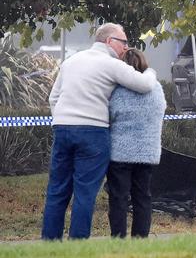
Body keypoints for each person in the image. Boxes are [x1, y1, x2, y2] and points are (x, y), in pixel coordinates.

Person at [43, 23, 157, 240]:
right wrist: (150, 71)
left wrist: (61, 120)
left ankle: (50, 244)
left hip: (63, 129)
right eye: (123, 42)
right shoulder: (111, 64)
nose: (126, 48)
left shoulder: (71, 61)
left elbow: (53, 97)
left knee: (57, 190)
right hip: (93, 133)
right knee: (84, 193)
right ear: (109, 41)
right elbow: (144, 85)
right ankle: (78, 246)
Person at [106, 49, 166, 238]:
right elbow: (161, 111)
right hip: (147, 153)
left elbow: (109, 116)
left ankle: (118, 239)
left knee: (118, 199)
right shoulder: (156, 88)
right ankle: (140, 240)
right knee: (143, 198)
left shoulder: (117, 91)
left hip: (120, 154)